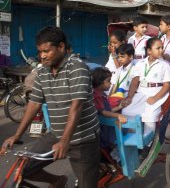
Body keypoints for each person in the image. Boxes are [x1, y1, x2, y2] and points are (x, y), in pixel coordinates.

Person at [1, 26, 100, 188]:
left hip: (83, 138)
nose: (42, 56)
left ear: (61, 47)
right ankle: (57, 181)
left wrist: (65, 141)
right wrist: (16, 135)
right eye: (40, 52)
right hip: (56, 133)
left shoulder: (77, 67)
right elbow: (34, 104)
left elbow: (77, 105)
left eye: (46, 51)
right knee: (23, 170)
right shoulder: (43, 72)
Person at [122, 38, 170, 136]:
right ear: (149, 51)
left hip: (156, 92)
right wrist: (130, 97)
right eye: (158, 48)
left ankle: (148, 143)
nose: (161, 50)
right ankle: (133, 137)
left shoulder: (164, 65)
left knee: (149, 115)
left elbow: (167, 85)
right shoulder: (140, 63)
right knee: (127, 110)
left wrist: (155, 98)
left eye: (162, 48)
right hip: (141, 93)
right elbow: (134, 82)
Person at [92, 67, 127, 148]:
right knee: (128, 130)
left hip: (107, 124)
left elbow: (108, 110)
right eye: (108, 81)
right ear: (99, 82)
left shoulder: (101, 94)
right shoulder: (97, 96)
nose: (111, 83)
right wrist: (118, 115)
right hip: (106, 129)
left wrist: (120, 106)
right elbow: (104, 112)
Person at [108, 43, 135, 108]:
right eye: (118, 57)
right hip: (117, 97)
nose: (119, 59)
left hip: (127, 97)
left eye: (122, 57)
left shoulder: (135, 70)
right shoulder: (119, 70)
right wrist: (108, 98)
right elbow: (114, 85)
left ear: (130, 57)